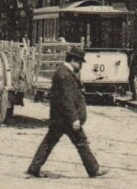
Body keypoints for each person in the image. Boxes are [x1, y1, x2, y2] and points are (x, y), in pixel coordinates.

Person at [27, 47, 106, 179]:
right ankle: (94, 170)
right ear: (73, 60)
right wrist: (74, 119)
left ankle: (34, 168)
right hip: (66, 119)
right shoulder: (65, 75)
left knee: (49, 142)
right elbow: (66, 99)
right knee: (81, 142)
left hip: (59, 117)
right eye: (80, 62)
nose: (80, 66)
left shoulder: (63, 72)